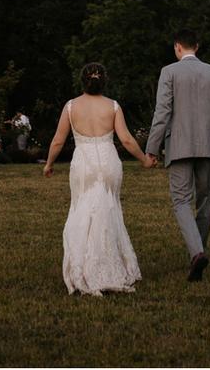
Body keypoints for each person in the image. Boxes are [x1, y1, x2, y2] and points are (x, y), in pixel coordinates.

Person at [43, 62, 154, 295]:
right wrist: (144, 160)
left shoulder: (71, 107)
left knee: (82, 209)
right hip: (108, 162)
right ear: (104, 81)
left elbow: (57, 141)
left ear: (82, 81)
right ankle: (110, 264)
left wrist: (49, 164)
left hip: (84, 165)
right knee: (109, 209)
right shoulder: (113, 106)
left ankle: (83, 266)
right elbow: (126, 140)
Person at [146, 30, 210, 282]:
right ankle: (198, 252)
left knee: (181, 200)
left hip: (180, 147)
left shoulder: (169, 72)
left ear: (177, 47)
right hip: (208, 146)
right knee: (205, 202)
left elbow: (162, 112)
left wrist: (151, 148)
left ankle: (197, 253)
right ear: (197, 46)